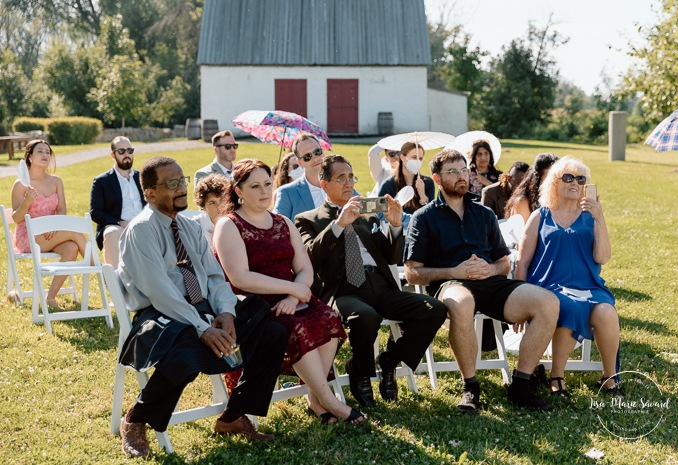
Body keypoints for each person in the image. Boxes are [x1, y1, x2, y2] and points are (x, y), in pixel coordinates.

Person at [117, 156, 288, 458]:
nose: (181, 188)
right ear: (150, 193)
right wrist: (203, 328)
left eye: (182, 181)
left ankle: (233, 415)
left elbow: (213, 275)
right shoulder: (141, 230)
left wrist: (226, 313)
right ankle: (137, 418)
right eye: (171, 184)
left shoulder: (189, 226)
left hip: (203, 309)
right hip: (160, 315)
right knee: (186, 348)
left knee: (271, 327)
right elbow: (162, 293)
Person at [403, 149, 559, 413]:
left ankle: (521, 384)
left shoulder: (483, 214)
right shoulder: (424, 217)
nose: (461, 176)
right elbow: (412, 273)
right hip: (452, 285)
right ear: (437, 178)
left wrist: (490, 268)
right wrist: (455, 272)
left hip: (492, 284)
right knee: (462, 303)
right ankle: (471, 386)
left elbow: (505, 263)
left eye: (464, 170)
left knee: (548, 302)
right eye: (452, 172)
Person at [213, 159, 365, 425]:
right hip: (253, 303)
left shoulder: (283, 222)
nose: (264, 191)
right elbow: (240, 277)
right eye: (255, 186)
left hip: (292, 297)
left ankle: (315, 398)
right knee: (296, 327)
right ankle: (329, 401)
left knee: (328, 318)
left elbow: (305, 268)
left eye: (268, 184)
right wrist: (291, 289)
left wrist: (294, 296)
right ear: (238, 191)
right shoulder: (229, 225)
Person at [295, 155, 447, 407]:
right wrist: (339, 223)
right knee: (365, 316)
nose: (348, 183)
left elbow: (391, 256)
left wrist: (395, 227)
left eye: (351, 177)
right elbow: (310, 256)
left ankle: (389, 360)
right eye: (340, 178)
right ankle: (360, 371)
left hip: (381, 285)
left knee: (434, 309)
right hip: (343, 291)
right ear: (324, 185)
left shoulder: (368, 212)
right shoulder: (309, 219)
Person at [515, 156, 619, 396]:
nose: (575, 183)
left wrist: (600, 218)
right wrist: (519, 297)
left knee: (606, 311)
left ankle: (610, 378)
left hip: (589, 285)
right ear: (554, 182)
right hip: (549, 287)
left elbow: (602, 257)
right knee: (570, 306)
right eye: (568, 177)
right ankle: (557, 376)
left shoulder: (591, 217)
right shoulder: (540, 216)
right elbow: (522, 261)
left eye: (580, 179)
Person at [11, 140, 88, 309]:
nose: (45, 155)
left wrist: (55, 225)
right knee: (75, 233)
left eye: (48, 152)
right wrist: (27, 202)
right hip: (29, 235)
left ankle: (50, 297)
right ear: (30, 156)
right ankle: (100, 271)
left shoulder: (56, 181)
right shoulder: (20, 184)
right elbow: (16, 218)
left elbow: (62, 209)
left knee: (72, 248)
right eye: (40, 151)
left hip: (52, 233)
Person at [90, 136, 147, 267]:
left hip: (145, 227)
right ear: (113, 155)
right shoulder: (102, 181)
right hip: (119, 228)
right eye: (121, 152)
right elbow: (96, 212)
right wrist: (119, 222)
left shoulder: (143, 177)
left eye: (130, 151)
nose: (127, 155)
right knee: (111, 233)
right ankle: (114, 282)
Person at [272, 133, 328, 221]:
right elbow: (278, 227)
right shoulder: (286, 193)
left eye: (317, 152)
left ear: (323, 152)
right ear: (299, 162)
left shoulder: (341, 183)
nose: (315, 158)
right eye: (307, 156)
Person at [378, 142, 434, 214]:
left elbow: (431, 213)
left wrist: (422, 196)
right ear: (402, 157)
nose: (417, 161)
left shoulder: (428, 182)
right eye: (414, 157)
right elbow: (379, 213)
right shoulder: (389, 184)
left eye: (420, 158)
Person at [505, 153, 559, 223]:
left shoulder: (559, 197)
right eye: (549, 178)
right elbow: (524, 233)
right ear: (537, 179)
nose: (554, 182)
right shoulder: (523, 202)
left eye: (557, 177)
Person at [193, 173, 228, 245]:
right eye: (212, 203)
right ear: (203, 206)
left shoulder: (237, 224)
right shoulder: (194, 226)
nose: (219, 206)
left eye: (222, 200)